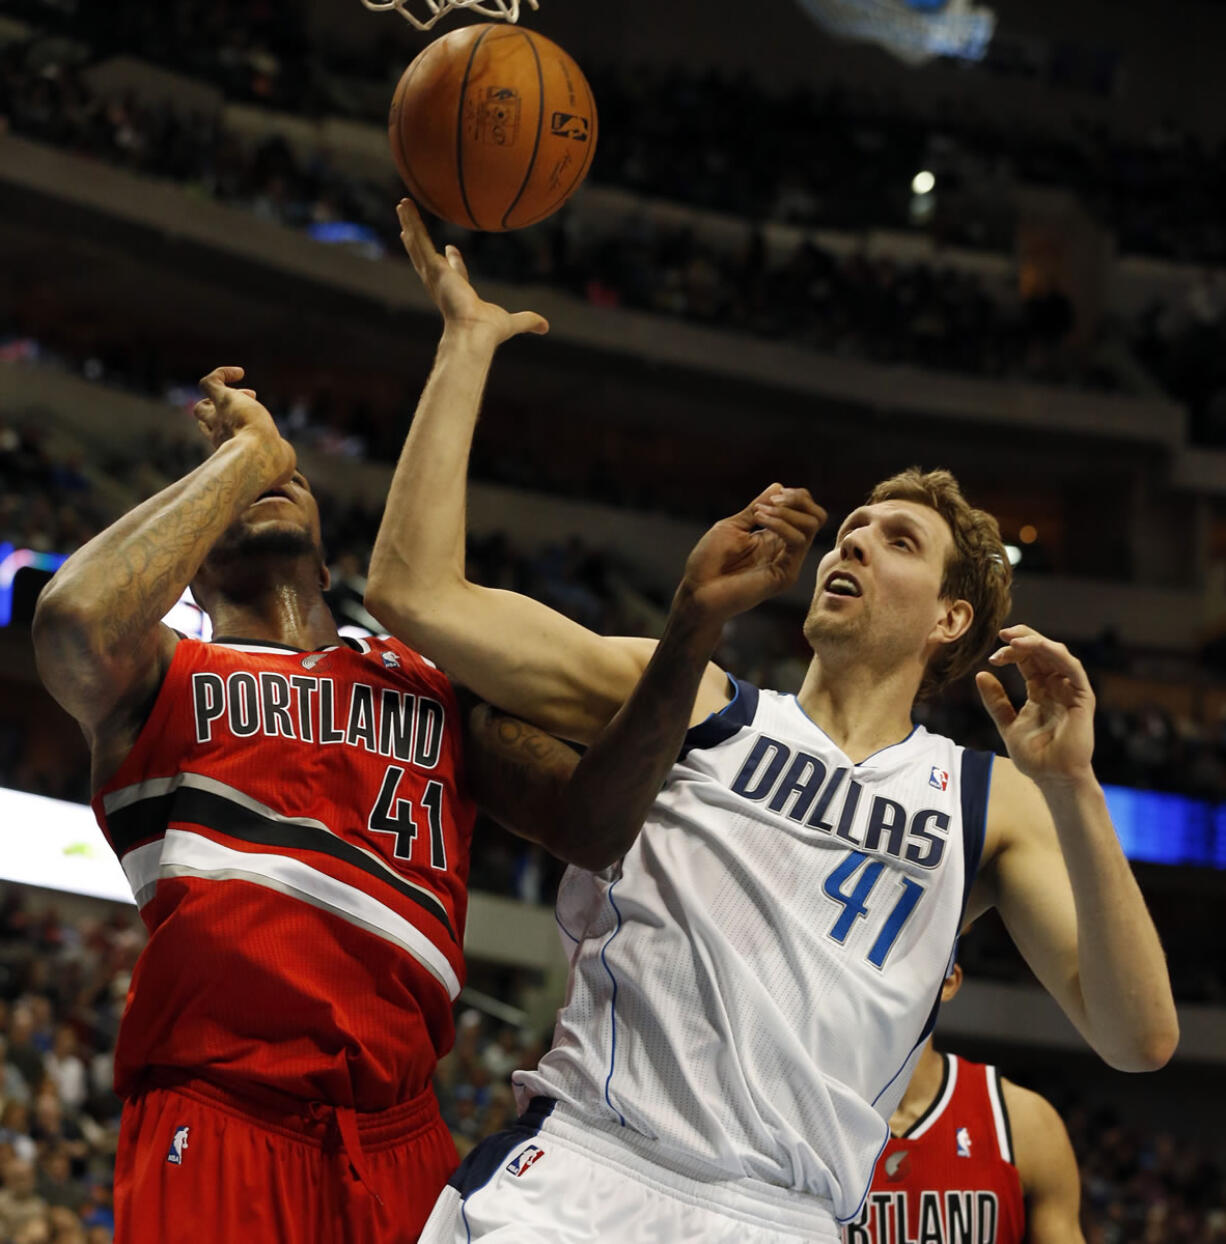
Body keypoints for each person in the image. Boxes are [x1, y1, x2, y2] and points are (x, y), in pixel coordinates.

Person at [362, 201, 1178, 1244]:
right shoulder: (696, 697)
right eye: (848, 528)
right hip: (583, 1168)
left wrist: (1073, 787)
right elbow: (414, 590)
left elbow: (1138, 1035)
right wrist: (465, 346)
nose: (852, 543)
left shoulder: (986, 799)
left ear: (949, 618)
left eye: (893, 539)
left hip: (780, 1215)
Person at [29, 368, 598, 1244]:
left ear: (330, 562)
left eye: (286, 480)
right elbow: (72, 618)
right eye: (238, 493)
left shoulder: (427, 680)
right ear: (191, 564)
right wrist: (253, 452)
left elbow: (591, 818)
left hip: (400, 1133)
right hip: (220, 1115)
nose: (266, 485)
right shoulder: (165, 679)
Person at [842, 964, 1084, 1244]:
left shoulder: (1024, 1120)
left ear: (948, 981)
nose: (884, 982)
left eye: (903, 964)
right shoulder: (804, 1114)